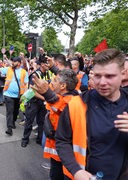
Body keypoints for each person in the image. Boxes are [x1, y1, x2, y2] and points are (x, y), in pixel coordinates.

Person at [55, 49, 128, 179]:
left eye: (109, 76)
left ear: (123, 74)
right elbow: (62, 140)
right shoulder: (76, 105)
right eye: (97, 76)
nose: (102, 82)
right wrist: (76, 170)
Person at [31, 69, 78, 180]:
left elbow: (62, 107)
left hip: (64, 153)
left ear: (63, 86)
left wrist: (47, 94)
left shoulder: (71, 101)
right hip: (57, 151)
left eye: (55, 80)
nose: (52, 82)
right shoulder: (60, 97)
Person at [0, 57, 28, 136]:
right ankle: (9, 128)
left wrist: (23, 96)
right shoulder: (9, 69)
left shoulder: (24, 72)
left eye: (14, 62)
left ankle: (13, 121)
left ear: (18, 63)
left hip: (19, 96)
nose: (12, 63)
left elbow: (26, 85)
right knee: (9, 111)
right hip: (8, 94)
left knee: (15, 111)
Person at [21, 59, 51, 147]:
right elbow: (32, 91)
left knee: (41, 121)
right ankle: (25, 139)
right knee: (29, 121)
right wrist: (45, 98)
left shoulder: (48, 73)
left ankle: (40, 139)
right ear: (41, 64)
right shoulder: (35, 75)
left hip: (43, 103)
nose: (48, 65)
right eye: (46, 63)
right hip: (34, 101)